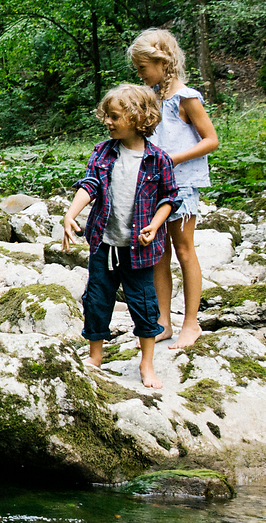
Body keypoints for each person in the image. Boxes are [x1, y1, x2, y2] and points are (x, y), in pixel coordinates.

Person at [61, 84, 179, 390]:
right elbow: (91, 184)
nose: (108, 122)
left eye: (114, 117)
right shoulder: (102, 152)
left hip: (140, 250)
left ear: (138, 118)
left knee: (144, 304)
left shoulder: (159, 159)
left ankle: (147, 363)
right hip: (104, 244)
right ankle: (95, 356)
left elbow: (169, 198)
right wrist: (71, 213)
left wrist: (154, 225)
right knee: (97, 299)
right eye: (107, 116)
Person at [127, 28, 219, 350]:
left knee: (184, 249)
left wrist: (174, 158)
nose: (140, 74)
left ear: (162, 62)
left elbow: (211, 140)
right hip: (155, 186)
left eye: (142, 68)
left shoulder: (186, 98)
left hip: (182, 185)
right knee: (159, 252)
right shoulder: (151, 99)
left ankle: (191, 323)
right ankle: (163, 321)